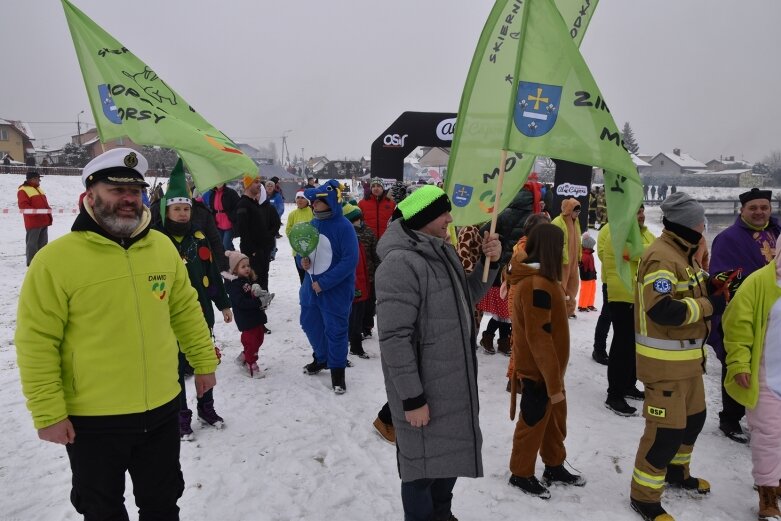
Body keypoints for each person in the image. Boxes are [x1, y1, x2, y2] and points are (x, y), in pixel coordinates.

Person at [15, 148, 217, 520]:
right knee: (102, 509)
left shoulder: (161, 248)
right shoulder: (55, 261)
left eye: (135, 191)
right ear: (90, 194)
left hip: (161, 409)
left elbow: (186, 310)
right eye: (116, 190)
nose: (128, 199)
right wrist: (47, 413)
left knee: (163, 504)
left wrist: (204, 363)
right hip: (92, 421)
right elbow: (36, 342)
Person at [376, 185, 500, 521]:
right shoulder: (400, 264)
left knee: (447, 463)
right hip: (424, 392)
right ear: (424, 218)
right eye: (443, 213)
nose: (449, 218)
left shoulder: (441, 253)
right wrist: (412, 399)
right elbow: (393, 339)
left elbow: (467, 294)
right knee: (421, 472)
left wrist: (491, 262)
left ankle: (442, 516)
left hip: (451, 386)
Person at [629, 192, 723, 521]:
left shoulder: (685, 253)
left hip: (688, 364)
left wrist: (719, 285)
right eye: (701, 223)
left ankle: (677, 474)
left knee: (693, 421)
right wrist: (710, 306)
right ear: (687, 226)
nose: (704, 228)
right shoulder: (661, 257)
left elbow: (692, 289)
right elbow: (662, 309)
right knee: (665, 434)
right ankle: (644, 496)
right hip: (664, 367)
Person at [155, 163, 233, 440]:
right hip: (167, 317)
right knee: (176, 368)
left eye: (186, 208)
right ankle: (180, 416)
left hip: (200, 314)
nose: (182, 213)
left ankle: (206, 407)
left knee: (204, 361)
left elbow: (212, 274)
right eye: (177, 209)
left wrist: (223, 304)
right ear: (166, 210)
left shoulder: (199, 238)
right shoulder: (156, 241)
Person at [506, 223, 585, 499]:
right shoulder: (537, 284)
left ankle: (554, 465)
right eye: (560, 245)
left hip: (550, 370)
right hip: (539, 371)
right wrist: (552, 381)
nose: (563, 250)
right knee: (533, 420)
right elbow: (539, 337)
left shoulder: (543, 278)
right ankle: (521, 472)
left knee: (552, 422)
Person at [708, 188, 779, 443]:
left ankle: (764, 413)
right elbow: (720, 278)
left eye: (764, 207)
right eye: (753, 208)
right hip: (743, 308)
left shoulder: (776, 233)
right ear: (743, 211)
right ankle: (730, 417)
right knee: (737, 361)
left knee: (766, 365)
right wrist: (753, 287)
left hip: (775, 313)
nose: (759, 212)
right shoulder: (728, 239)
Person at [722, 246, 781, 521]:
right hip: (767, 376)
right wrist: (738, 363)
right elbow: (737, 326)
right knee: (768, 436)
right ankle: (767, 493)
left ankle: (775, 478)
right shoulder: (758, 282)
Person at [299, 179, 359, 394]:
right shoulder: (313, 224)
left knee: (336, 331)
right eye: (312, 201)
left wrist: (324, 283)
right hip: (310, 288)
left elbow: (350, 260)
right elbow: (303, 250)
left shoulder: (344, 228)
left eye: (318, 201)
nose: (313, 204)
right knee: (309, 322)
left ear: (331, 202)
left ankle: (337, 372)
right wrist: (302, 260)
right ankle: (322, 357)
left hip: (335, 291)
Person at [599, 205, 656, 417]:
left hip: (641, 296)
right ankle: (614, 393)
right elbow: (634, 254)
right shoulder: (618, 232)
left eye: (642, 212)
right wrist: (653, 252)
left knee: (634, 344)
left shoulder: (645, 233)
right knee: (622, 346)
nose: (641, 216)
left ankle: (629, 384)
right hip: (622, 295)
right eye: (636, 212)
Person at [223, 250, 273, 378]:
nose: (247, 269)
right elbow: (241, 302)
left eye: (248, 266)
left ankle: (244, 356)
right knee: (251, 341)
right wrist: (257, 302)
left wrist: (260, 295)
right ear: (235, 269)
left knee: (259, 338)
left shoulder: (246, 280)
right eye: (243, 266)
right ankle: (251, 364)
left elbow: (251, 295)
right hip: (246, 319)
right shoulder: (234, 285)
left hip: (255, 316)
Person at [358, 177, 396, 337]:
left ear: (383, 188)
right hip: (367, 247)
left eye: (378, 186)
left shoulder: (391, 203)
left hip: (386, 247)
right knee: (369, 284)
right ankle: (366, 325)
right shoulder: (362, 204)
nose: (375, 188)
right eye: (373, 186)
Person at [234, 175, 281, 292]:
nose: (259, 185)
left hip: (262, 249)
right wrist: (252, 250)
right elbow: (242, 230)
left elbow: (265, 227)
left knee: (263, 276)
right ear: (248, 185)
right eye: (255, 182)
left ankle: (263, 298)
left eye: (260, 182)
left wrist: (268, 240)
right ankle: (256, 301)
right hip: (253, 252)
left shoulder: (254, 204)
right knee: (254, 278)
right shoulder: (243, 204)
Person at [343, 204, 372, 359]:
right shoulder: (349, 239)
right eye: (355, 220)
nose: (358, 222)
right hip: (354, 287)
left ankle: (355, 344)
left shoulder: (358, 238)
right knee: (353, 320)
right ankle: (355, 346)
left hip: (362, 285)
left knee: (358, 318)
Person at [551, 198, 582, 317]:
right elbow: (554, 243)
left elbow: (577, 241)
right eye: (576, 211)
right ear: (569, 210)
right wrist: (561, 257)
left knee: (573, 287)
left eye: (579, 212)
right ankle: (557, 310)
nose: (577, 214)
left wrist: (579, 255)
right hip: (562, 262)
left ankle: (568, 310)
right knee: (560, 287)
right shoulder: (557, 222)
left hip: (573, 262)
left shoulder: (576, 222)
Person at [17, 171, 53, 266]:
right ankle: (31, 263)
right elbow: (23, 206)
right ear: (32, 179)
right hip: (33, 222)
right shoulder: (23, 190)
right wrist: (36, 212)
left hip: (43, 220)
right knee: (32, 244)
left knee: (43, 243)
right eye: (38, 178)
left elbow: (44, 203)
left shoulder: (38, 189)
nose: (39, 180)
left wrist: (47, 210)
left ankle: (41, 261)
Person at [285, 190, 315, 283]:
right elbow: (288, 230)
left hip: (312, 250)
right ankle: (305, 296)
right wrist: (295, 240)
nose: (300, 200)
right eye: (298, 198)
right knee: (302, 277)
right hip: (297, 251)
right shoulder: (292, 214)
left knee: (312, 277)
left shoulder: (313, 212)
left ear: (307, 200)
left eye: (302, 198)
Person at [208, 182, 240, 252]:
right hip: (217, 222)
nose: (219, 183)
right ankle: (229, 259)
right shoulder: (213, 193)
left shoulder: (230, 192)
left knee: (226, 245)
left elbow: (238, 205)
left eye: (220, 182)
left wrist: (233, 216)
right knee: (220, 245)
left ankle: (232, 259)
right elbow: (211, 208)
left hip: (228, 222)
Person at [577, 232, 597, 313]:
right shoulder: (584, 255)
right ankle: (582, 305)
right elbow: (582, 265)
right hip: (586, 275)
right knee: (585, 290)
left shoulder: (589, 254)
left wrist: (594, 272)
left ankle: (589, 304)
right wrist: (585, 272)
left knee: (592, 289)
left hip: (591, 275)